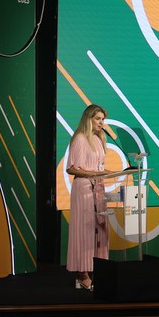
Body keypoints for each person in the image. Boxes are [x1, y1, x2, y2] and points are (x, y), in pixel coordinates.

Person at [66, 103, 114, 290]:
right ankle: (82, 274)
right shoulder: (79, 138)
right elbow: (71, 168)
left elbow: (97, 168)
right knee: (85, 231)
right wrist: (93, 175)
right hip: (84, 188)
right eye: (98, 119)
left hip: (98, 188)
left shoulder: (99, 139)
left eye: (103, 119)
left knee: (100, 230)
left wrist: (111, 173)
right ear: (89, 119)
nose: (102, 123)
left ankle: (98, 270)